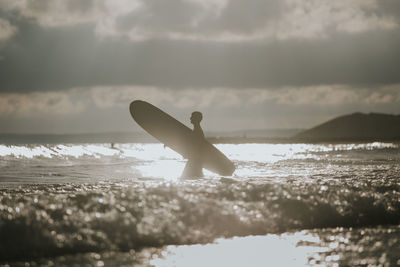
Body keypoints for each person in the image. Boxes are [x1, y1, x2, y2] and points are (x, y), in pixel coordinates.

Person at [181, 111, 205, 178]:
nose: (190, 118)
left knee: (187, 178)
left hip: (194, 160)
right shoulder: (196, 130)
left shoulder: (197, 131)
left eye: (192, 117)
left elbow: (196, 147)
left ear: (196, 119)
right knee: (196, 178)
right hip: (195, 160)